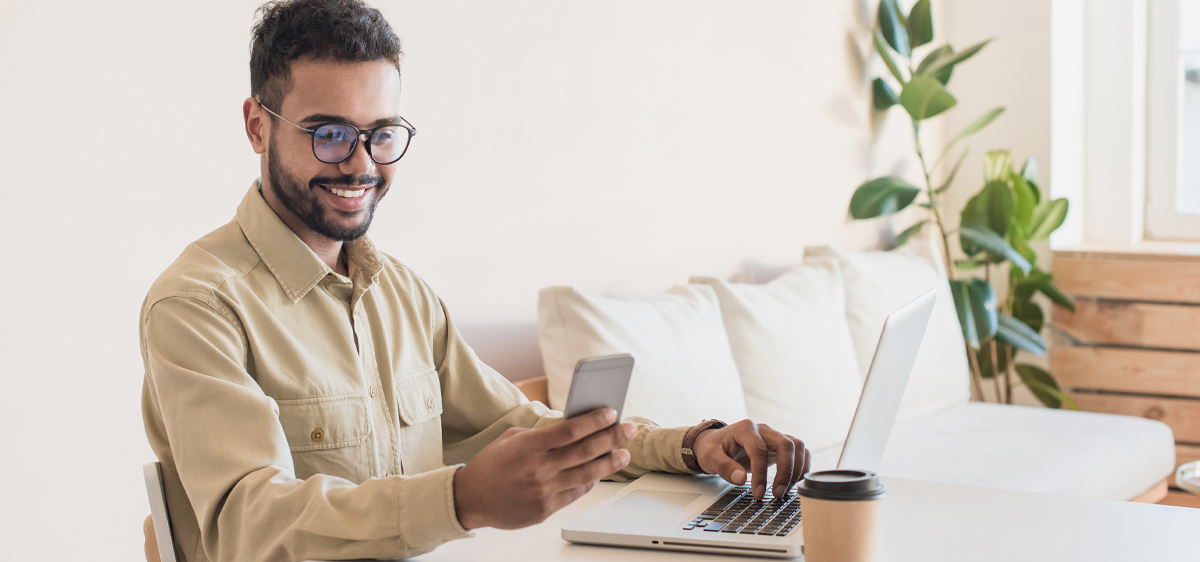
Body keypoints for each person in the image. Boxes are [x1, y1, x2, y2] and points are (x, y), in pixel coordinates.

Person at [140, 1, 811, 560]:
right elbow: (247, 523)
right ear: (258, 126)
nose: (362, 163)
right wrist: (463, 499)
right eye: (330, 134)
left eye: (382, 134)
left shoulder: (401, 294)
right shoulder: (198, 304)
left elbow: (520, 425)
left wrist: (694, 446)